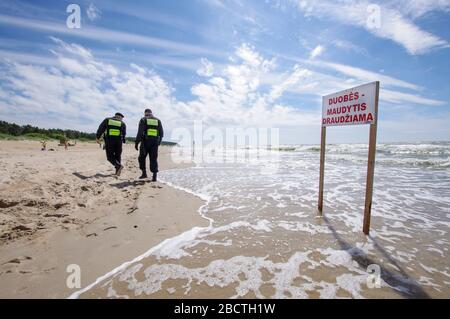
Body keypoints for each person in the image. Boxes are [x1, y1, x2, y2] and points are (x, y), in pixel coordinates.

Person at [135, 108, 163, 181]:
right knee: (153, 158)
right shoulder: (158, 120)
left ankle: (144, 173)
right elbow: (161, 133)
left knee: (141, 158)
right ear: (151, 113)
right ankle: (154, 176)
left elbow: (140, 132)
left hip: (145, 142)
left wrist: (136, 142)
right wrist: (159, 142)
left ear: (145, 113)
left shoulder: (143, 120)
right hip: (154, 143)